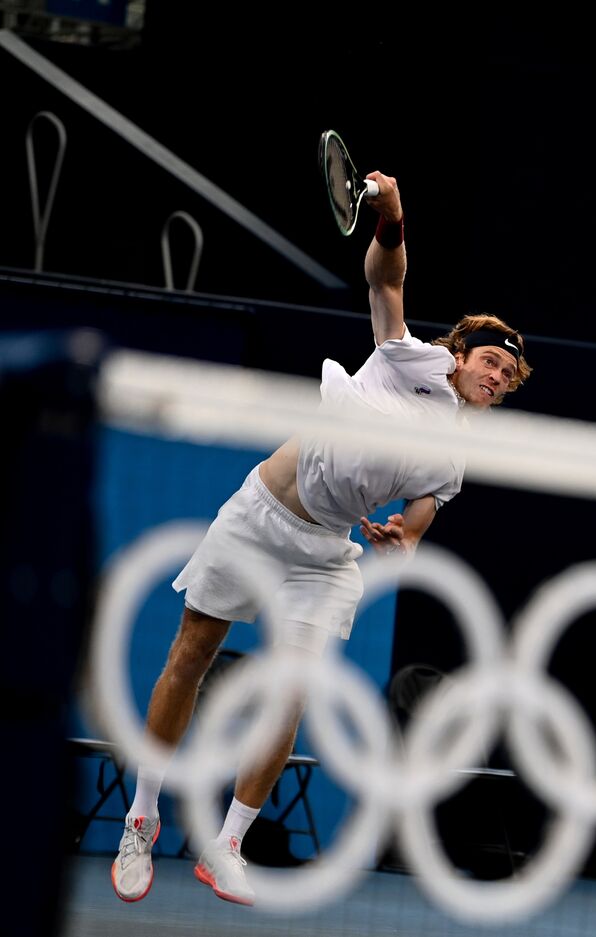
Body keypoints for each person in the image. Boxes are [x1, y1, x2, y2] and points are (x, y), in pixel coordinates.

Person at [110, 171, 532, 906]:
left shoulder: (457, 457)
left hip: (324, 550)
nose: (496, 375)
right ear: (461, 355)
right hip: (260, 516)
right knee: (191, 652)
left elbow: (421, 514)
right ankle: (140, 816)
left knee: (292, 691)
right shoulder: (413, 360)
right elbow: (386, 277)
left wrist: (402, 534)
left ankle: (229, 842)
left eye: (508, 373)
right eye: (490, 360)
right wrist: (393, 216)